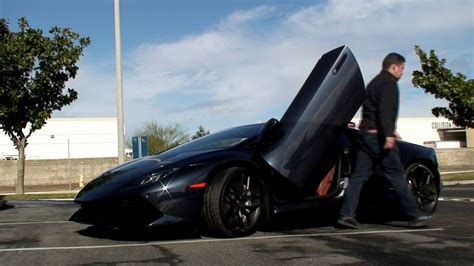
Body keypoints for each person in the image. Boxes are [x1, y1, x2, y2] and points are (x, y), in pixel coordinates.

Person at [337, 52, 431, 229]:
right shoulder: (389, 84)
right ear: (393, 67)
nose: (402, 72)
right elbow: (386, 110)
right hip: (377, 137)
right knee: (396, 174)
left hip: (365, 135)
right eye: (402, 68)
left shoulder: (374, 84)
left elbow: (371, 111)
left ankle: (346, 214)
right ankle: (415, 214)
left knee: (359, 176)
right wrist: (388, 134)